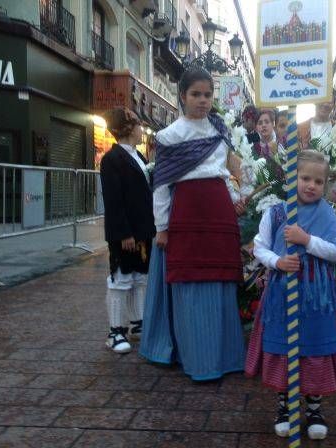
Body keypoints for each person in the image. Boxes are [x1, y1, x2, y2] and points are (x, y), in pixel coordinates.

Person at [139, 68, 246, 381]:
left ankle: (226, 357)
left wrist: (236, 196)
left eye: (208, 94)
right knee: (190, 280)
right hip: (186, 214)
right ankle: (198, 358)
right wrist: (161, 227)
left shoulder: (220, 129)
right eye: (196, 94)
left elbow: (227, 171)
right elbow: (161, 186)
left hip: (219, 213)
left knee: (221, 280)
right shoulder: (169, 135)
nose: (202, 100)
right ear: (183, 96)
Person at [245, 150, 336, 441]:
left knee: (313, 348)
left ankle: (315, 408)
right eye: (305, 178)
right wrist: (277, 261)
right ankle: (284, 406)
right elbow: (259, 247)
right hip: (282, 294)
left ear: (325, 184)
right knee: (284, 347)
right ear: (292, 177)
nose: (311, 185)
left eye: (318, 181)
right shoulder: (277, 212)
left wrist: (306, 240)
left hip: (316, 298)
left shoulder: (327, 213)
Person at [99, 108, 156, 354]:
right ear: (127, 127)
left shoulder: (139, 156)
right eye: (137, 124)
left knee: (140, 279)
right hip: (126, 232)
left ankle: (137, 323)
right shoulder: (112, 159)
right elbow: (114, 200)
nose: (141, 128)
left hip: (143, 230)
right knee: (120, 279)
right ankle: (115, 331)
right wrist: (124, 234)